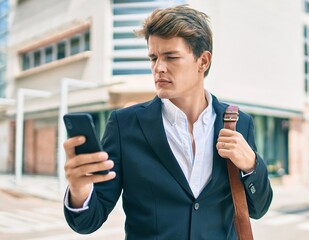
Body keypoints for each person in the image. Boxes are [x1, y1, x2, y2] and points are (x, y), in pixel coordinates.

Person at [63, 5, 273, 239]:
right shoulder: (124, 125)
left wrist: (251, 165)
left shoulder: (238, 123)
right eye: (153, 58)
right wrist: (79, 190)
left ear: (203, 61)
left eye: (171, 57)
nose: (158, 68)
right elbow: (88, 221)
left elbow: (258, 209)